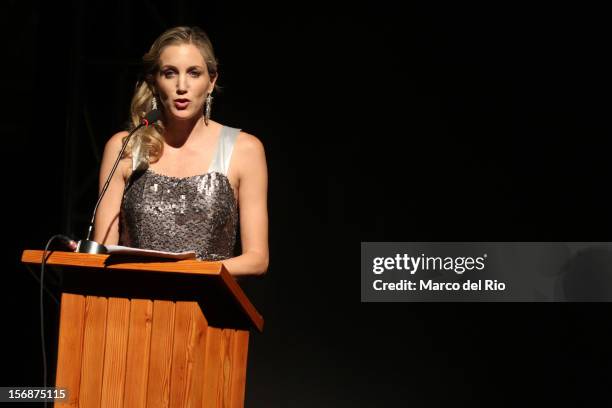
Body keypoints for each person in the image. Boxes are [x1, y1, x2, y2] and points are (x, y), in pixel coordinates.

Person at [93, 26, 268, 277]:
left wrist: (186, 273)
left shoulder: (245, 150)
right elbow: (102, 252)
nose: (181, 86)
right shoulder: (126, 147)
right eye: (170, 73)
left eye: (194, 73)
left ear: (211, 81)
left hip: (207, 307)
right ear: (155, 81)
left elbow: (257, 260)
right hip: (133, 304)